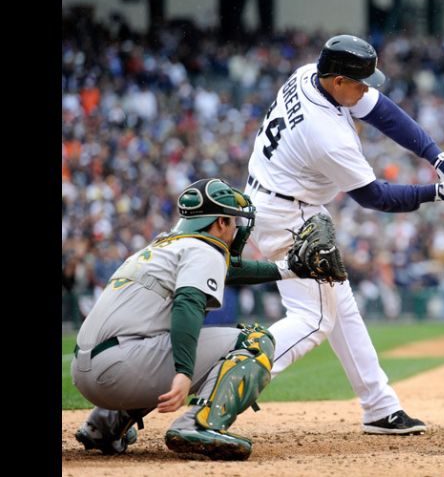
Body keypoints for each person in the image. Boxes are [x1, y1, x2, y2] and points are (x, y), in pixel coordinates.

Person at [243, 34, 444, 435]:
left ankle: (379, 407)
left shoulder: (310, 74)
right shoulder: (326, 135)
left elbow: (383, 112)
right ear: (338, 81)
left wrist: (436, 156)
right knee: (314, 318)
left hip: (282, 200)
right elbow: (375, 197)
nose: (367, 89)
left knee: (341, 309)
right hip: (286, 213)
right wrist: (434, 193)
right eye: (360, 83)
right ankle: (230, 376)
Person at [71, 178, 323, 460]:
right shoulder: (205, 249)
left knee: (154, 340)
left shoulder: (167, 245)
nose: (236, 229)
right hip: (122, 368)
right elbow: (187, 304)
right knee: (254, 341)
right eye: (233, 222)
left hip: (88, 371)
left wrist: (290, 269)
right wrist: (183, 372)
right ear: (219, 222)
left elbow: (232, 273)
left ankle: (103, 425)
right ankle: (201, 424)